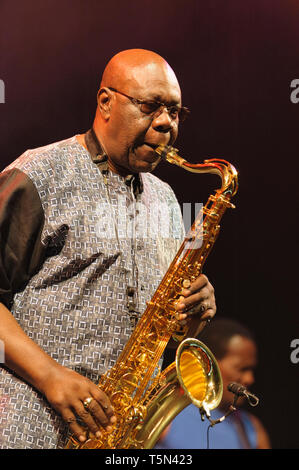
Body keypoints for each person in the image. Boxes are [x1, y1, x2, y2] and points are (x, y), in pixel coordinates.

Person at [0, 49, 217, 448]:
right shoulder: (40, 173)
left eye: (175, 112)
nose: (166, 123)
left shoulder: (168, 202)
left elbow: (160, 329)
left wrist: (193, 314)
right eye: (151, 106)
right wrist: (49, 375)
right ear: (106, 103)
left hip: (119, 438)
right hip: (30, 429)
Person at [156, 318, 271, 449]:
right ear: (208, 362)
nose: (250, 379)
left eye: (251, 369)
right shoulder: (166, 418)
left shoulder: (252, 428)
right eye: (242, 369)